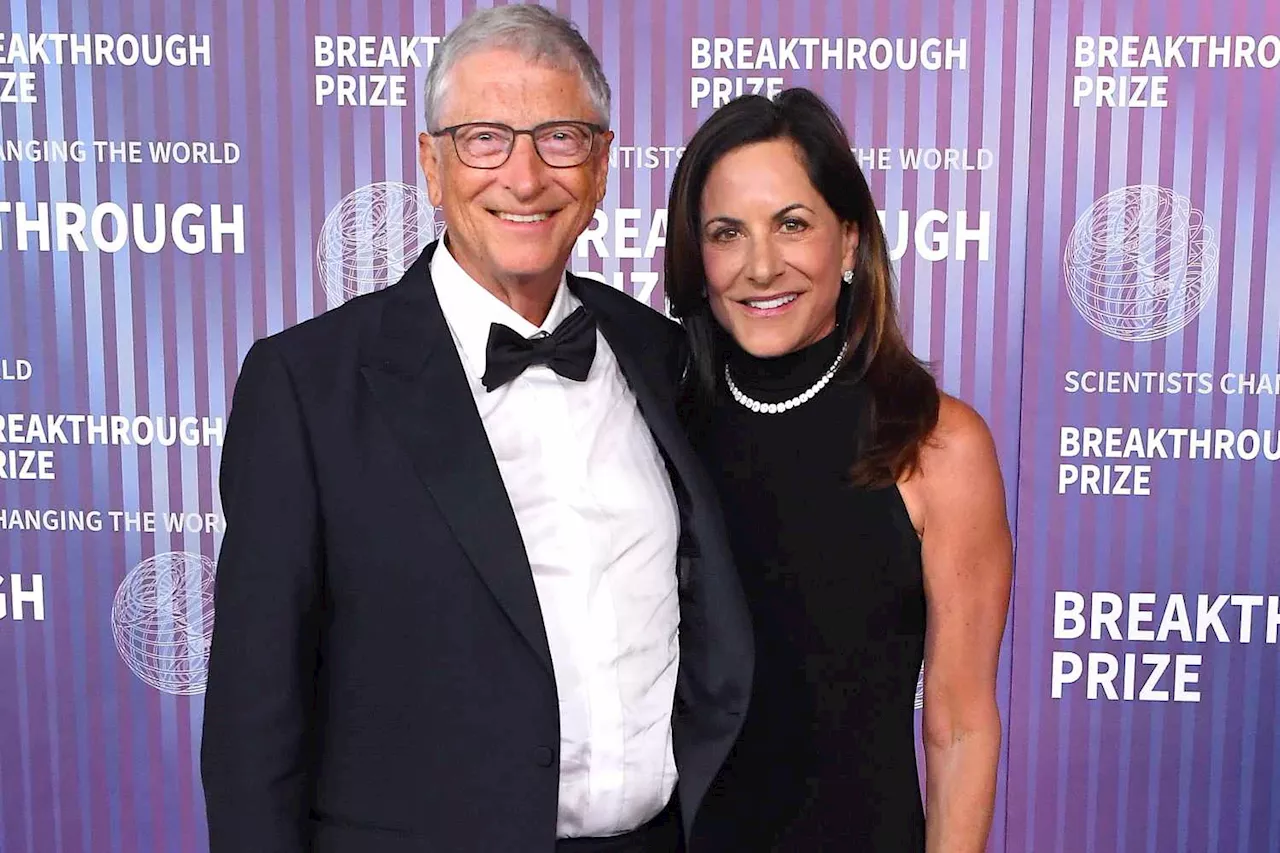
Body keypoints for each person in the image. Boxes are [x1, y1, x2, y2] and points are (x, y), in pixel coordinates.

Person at [200, 7, 751, 852]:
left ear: (601, 165)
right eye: (484, 138)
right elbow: (253, 726)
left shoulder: (662, 354)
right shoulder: (306, 387)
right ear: (431, 164)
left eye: (560, 138)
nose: (524, 178)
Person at [665, 89, 1013, 852]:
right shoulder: (654, 425)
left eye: (792, 224)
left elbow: (959, 727)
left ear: (849, 241)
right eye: (728, 233)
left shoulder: (936, 444)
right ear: (699, 255)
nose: (761, 266)